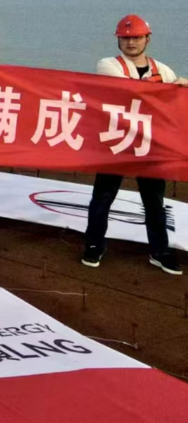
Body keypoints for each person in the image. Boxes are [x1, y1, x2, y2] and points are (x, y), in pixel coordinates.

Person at [82, 14, 186, 275]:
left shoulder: (162, 68)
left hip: (150, 144)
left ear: (147, 39)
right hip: (117, 142)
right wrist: (167, 88)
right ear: (118, 40)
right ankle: (94, 245)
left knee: (154, 201)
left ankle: (160, 251)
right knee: (103, 197)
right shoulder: (108, 64)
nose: (130, 42)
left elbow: (173, 103)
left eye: (136, 37)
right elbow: (130, 90)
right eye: (125, 38)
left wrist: (182, 86)